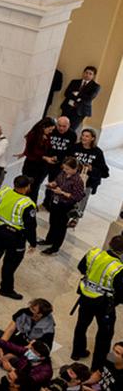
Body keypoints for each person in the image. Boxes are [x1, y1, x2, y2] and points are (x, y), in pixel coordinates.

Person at [73, 235, 123, 367]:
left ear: (110, 243)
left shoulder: (93, 253)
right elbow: (121, 291)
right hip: (104, 304)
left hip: (85, 296)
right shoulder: (118, 268)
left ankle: (77, 352)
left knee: (81, 325)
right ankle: (97, 365)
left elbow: (81, 268)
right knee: (104, 335)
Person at [41, 156, 85, 255]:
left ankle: (55, 247)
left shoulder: (78, 181)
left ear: (75, 169)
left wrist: (62, 192)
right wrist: (52, 184)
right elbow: (57, 181)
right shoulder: (63, 173)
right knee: (52, 222)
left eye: (67, 169)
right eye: (64, 168)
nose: (65, 170)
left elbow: (77, 197)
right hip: (55, 201)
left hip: (65, 206)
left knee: (60, 227)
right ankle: (49, 240)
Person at [61, 65, 100, 131]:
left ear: (93, 76)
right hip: (67, 108)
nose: (87, 75)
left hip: (80, 111)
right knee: (61, 126)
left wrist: (76, 94)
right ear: (83, 73)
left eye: (90, 74)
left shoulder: (96, 86)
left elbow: (89, 98)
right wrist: (79, 97)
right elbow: (67, 93)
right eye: (86, 72)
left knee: (71, 129)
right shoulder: (74, 82)